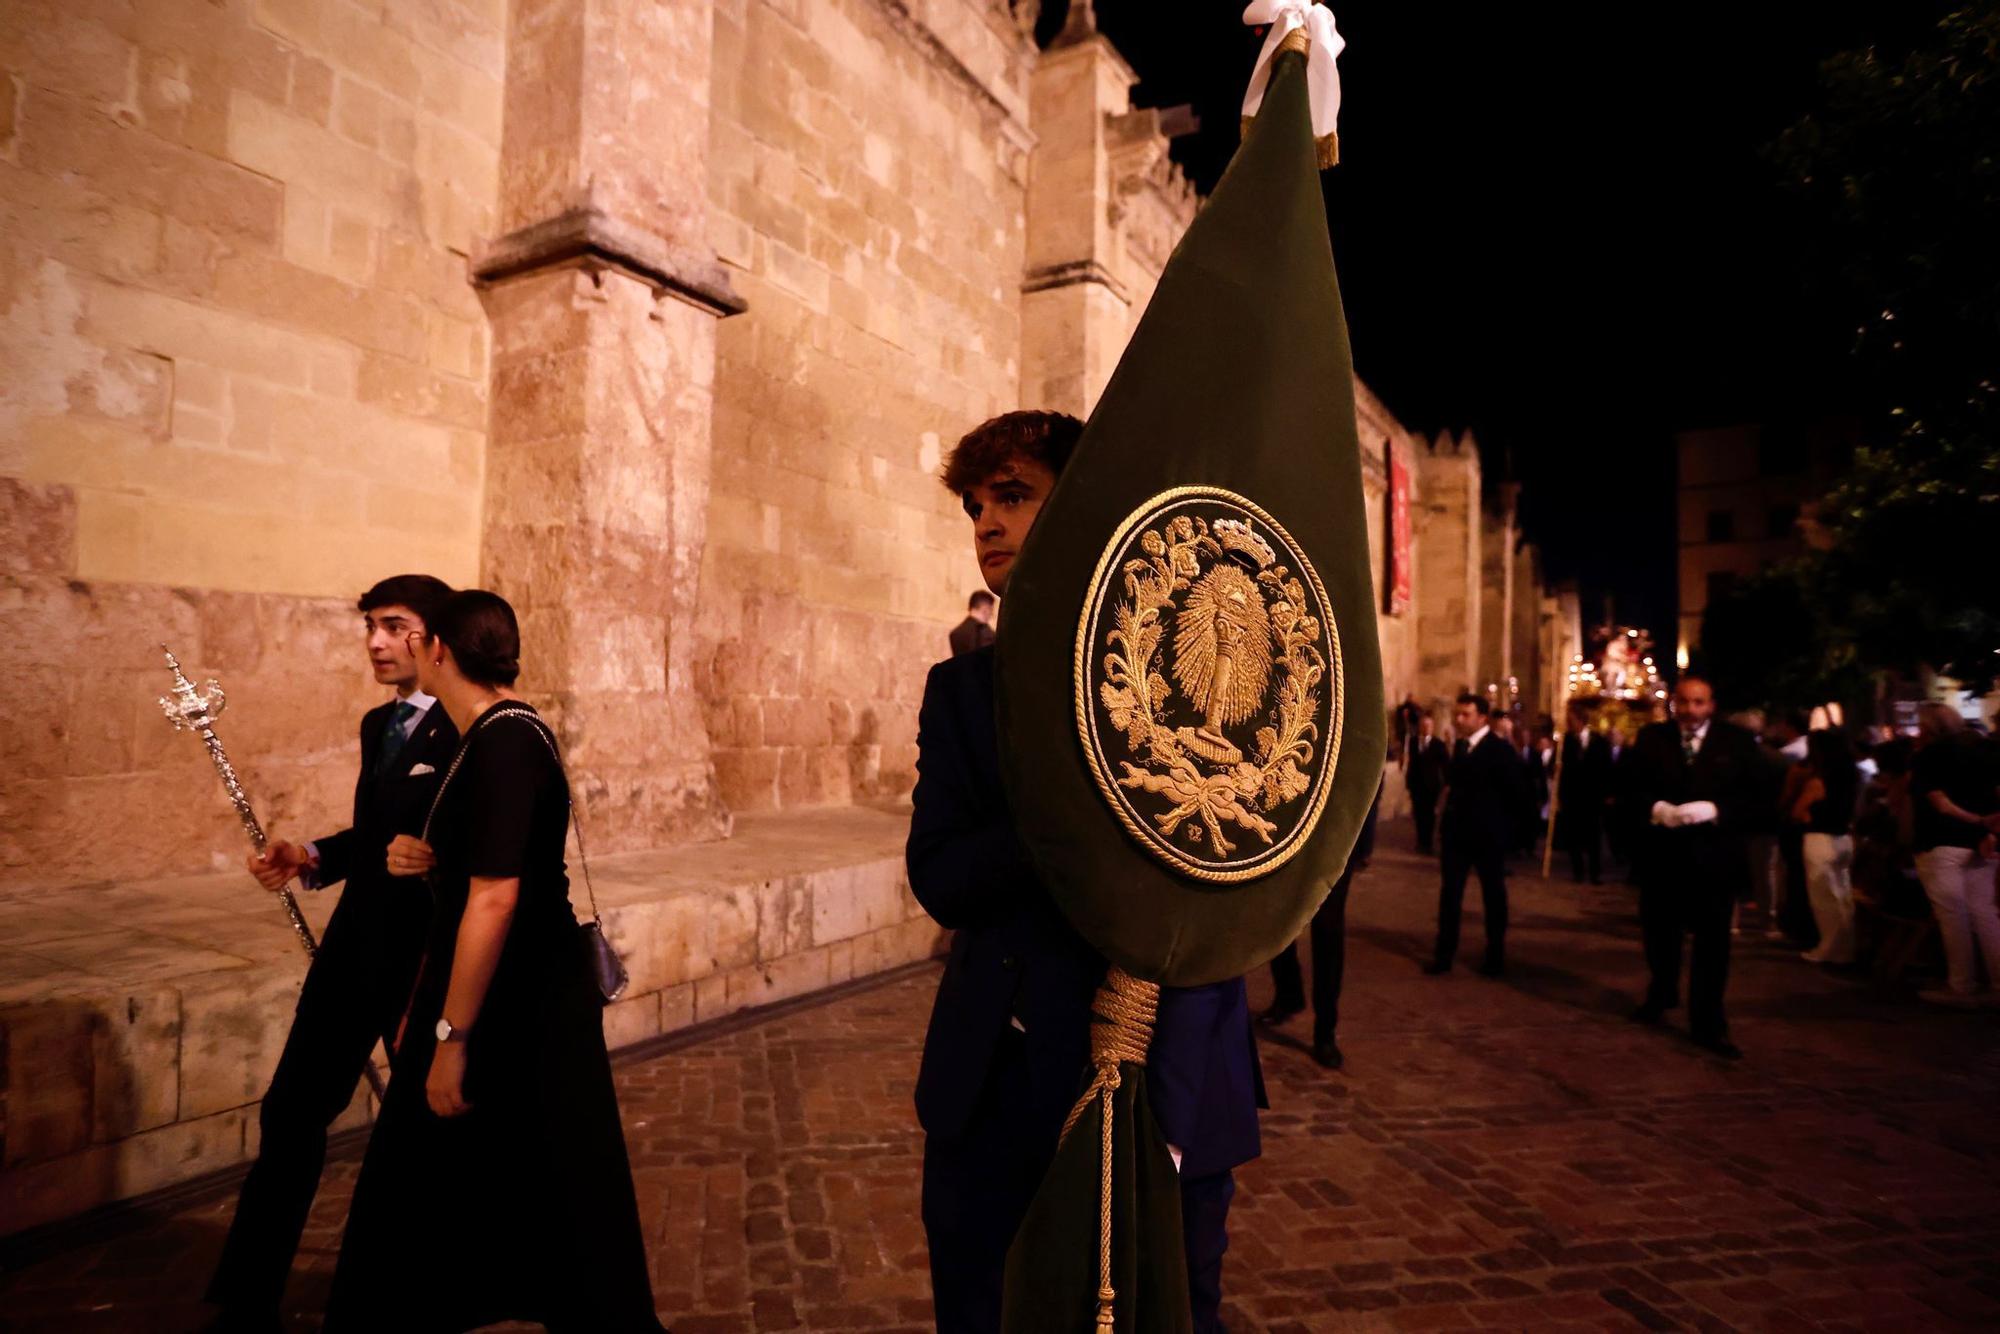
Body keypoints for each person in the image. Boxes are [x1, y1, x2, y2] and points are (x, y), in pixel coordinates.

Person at [910, 410, 1262, 1334]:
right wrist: (1070, 808)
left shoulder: (1189, 679)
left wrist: (1171, 1120)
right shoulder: (961, 689)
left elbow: (1225, 879)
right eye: (974, 504)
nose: (985, 523)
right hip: (990, 1084)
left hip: (1159, 1083)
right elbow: (938, 873)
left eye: (1014, 497)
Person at [323, 591, 667, 1332]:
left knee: (533, 1178)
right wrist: (428, 853)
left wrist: (450, 1039)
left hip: (519, 998)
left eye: (408, 635)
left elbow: (497, 898)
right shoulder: (484, 734)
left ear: (439, 649)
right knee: (520, 1175)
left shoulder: (506, 739)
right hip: (506, 990)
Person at [202, 574, 458, 1334]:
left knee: (424, 1133)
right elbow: (374, 837)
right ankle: (246, 1298)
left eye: (393, 625)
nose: (376, 642)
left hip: (423, 962)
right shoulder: (378, 727)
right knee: (290, 1113)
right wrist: (308, 854)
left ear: (435, 637)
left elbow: (481, 850)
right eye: (370, 627)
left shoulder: (474, 730)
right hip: (353, 952)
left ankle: (419, 1290)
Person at [1621, 674, 1762, 1058]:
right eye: (1683, 702)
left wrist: (1717, 810)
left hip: (1714, 861)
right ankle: (1662, 991)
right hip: (1664, 858)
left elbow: (1758, 799)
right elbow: (1629, 789)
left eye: (1698, 702)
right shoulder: (1653, 738)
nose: (1690, 710)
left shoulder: (1737, 743)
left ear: (1711, 704)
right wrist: (1656, 809)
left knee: (1713, 945)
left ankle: (1709, 1021)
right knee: (1659, 933)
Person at [1262, 781, 1381, 1069]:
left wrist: (1362, 842)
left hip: (1335, 836)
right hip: (1288, 827)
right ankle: (1289, 994)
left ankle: (1325, 1030)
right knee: (1278, 920)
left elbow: (1369, 774)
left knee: (1328, 930)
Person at [1909, 703, 2000, 1006]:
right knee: (1986, 914)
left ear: (1929, 727)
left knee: (1953, 918)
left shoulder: (1929, 757)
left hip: (1940, 842)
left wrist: (1977, 821)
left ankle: (1962, 985)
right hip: (1980, 844)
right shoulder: (1984, 750)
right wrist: (1988, 827)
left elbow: (1939, 803)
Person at [1423, 693, 1520, 978]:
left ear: (1482, 717)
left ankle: (1495, 956)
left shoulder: (1500, 750)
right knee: (1450, 896)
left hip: (1488, 837)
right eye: (1458, 713)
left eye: (1465, 714)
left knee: (1493, 896)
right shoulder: (1461, 747)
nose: (1459, 719)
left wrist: (1504, 832)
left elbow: (1513, 794)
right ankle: (1444, 955)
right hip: (1457, 836)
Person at [1791, 728, 1861, 965]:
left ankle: (1828, 949)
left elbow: (1798, 811)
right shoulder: (1852, 777)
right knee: (1842, 898)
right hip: (1843, 838)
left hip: (1820, 839)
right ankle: (1846, 948)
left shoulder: (1818, 781)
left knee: (1824, 899)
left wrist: (1805, 814)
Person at [1557, 706, 1612, 884]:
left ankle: (1595, 873)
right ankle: (1578, 871)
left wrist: (1607, 792)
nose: (1568, 724)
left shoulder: (1599, 741)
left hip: (1592, 796)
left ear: (1581, 721)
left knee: (1594, 836)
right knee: (1573, 836)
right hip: (1572, 796)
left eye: (1571, 720)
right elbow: (1556, 766)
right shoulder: (1565, 742)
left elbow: (1607, 768)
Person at [1405, 712, 1448, 855]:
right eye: (1423, 726)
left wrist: (1445, 784)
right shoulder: (1413, 742)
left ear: (1432, 727)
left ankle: (1428, 843)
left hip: (1431, 786)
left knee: (1429, 815)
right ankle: (1420, 841)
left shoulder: (1438, 744)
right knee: (1418, 814)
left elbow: (1445, 765)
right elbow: (1411, 763)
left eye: (1428, 726)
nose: (1426, 728)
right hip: (1416, 785)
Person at [948, 588, 998, 657]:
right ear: (985, 609)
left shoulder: (956, 633)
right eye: (991, 609)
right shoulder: (988, 635)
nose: (992, 614)